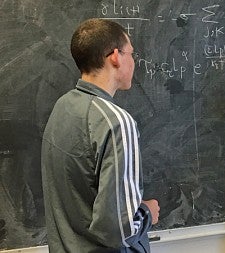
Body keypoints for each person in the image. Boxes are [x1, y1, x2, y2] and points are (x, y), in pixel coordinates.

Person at [41, 18, 160, 252]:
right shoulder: (116, 122)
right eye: (131, 53)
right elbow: (117, 231)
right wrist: (146, 213)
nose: (134, 62)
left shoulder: (63, 107)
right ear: (115, 56)